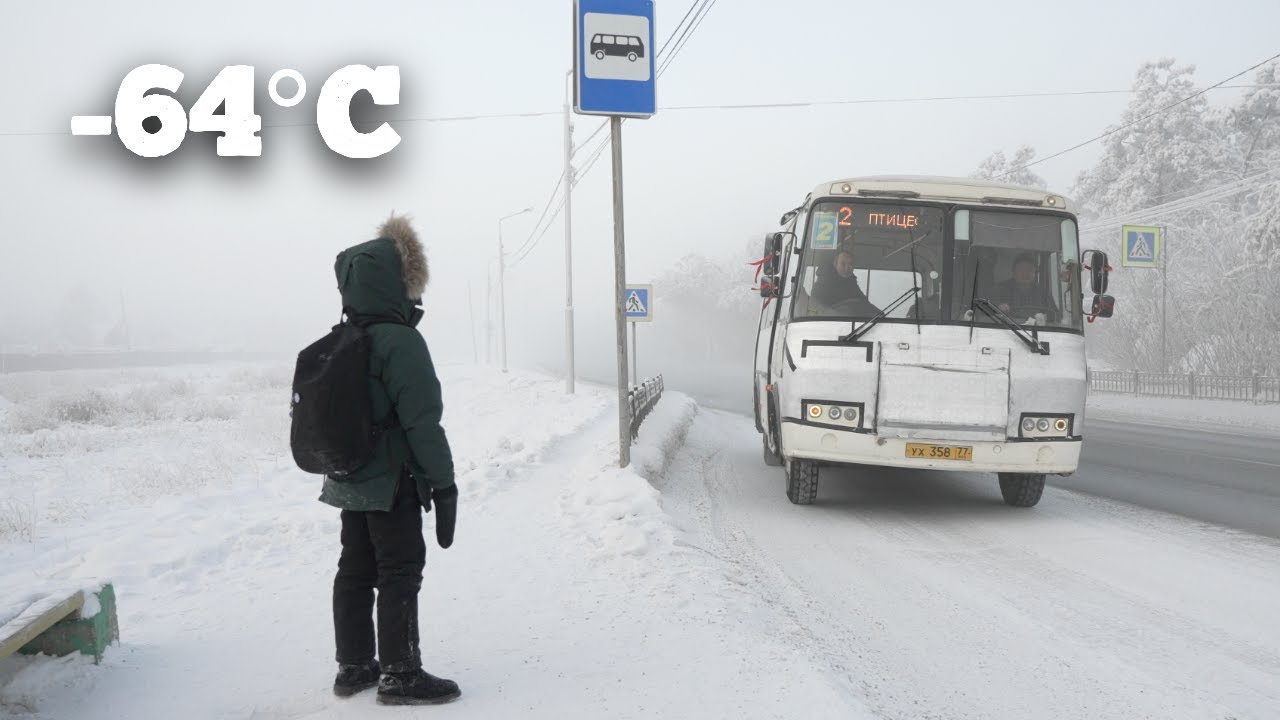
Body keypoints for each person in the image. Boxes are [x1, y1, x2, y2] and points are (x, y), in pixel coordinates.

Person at [319, 213, 461, 706]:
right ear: (397, 283)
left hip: (348, 476)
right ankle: (401, 674)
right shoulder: (400, 341)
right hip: (391, 481)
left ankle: (355, 665)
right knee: (399, 569)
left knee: (354, 569)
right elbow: (422, 423)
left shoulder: (346, 336)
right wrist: (444, 486)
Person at [992, 253, 1059, 321]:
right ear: (1013, 272)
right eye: (1021, 269)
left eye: (1029, 270)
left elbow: (1055, 315)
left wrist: (1045, 317)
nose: (1025, 273)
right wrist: (998, 308)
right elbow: (987, 312)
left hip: (1036, 329)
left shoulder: (1044, 293)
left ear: (1035, 273)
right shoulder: (1000, 289)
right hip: (1006, 328)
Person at [810, 249, 880, 315]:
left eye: (850, 264)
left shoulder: (852, 285)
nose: (847, 268)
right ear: (835, 264)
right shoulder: (822, 285)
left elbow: (864, 304)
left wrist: (881, 316)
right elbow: (814, 310)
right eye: (843, 264)